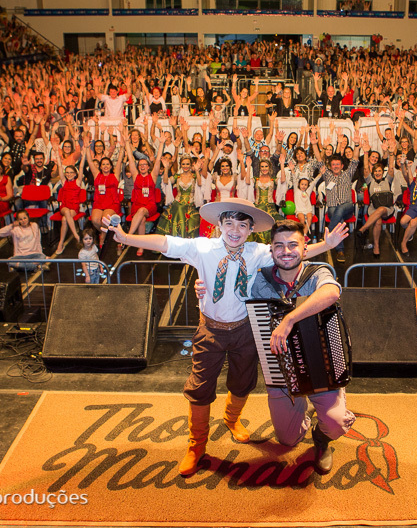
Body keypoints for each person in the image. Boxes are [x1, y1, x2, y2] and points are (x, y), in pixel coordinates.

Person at [102, 197, 347, 477]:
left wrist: (326, 245)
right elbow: (164, 243)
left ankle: (232, 419)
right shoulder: (201, 248)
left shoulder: (258, 252)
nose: (234, 230)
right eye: (228, 223)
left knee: (243, 380)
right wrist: (125, 237)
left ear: (251, 229)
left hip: (245, 329)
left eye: (242, 225)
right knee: (200, 387)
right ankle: (197, 445)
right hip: (211, 329)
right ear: (218, 224)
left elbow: (291, 252)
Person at [249, 218, 356, 474]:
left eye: (292, 245)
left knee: (336, 423)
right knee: (288, 440)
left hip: (322, 370)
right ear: (271, 249)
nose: (286, 251)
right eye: (279, 246)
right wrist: (203, 293)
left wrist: (289, 319)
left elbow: (331, 293)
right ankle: (302, 411)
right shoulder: (261, 281)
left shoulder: (318, 270)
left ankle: (321, 438)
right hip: (282, 373)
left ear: (305, 248)